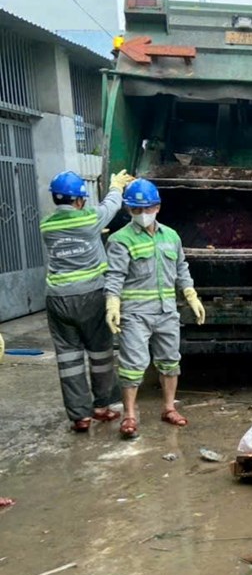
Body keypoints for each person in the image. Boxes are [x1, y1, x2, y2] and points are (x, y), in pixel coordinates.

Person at [104, 178, 206, 438]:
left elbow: (181, 268)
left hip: (166, 312)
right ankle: (129, 415)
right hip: (136, 313)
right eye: (135, 210)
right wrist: (112, 302)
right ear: (128, 210)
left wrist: (191, 294)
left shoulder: (171, 236)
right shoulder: (120, 240)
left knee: (170, 361)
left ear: (157, 207)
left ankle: (169, 408)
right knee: (132, 365)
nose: (141, 214)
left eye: (146, 209)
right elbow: (114, 275)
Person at [41, 169, 132, 432]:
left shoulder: (47, 225)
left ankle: (80, 416)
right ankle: (102, 406)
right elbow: (112, 206)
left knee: (68, 359)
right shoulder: (89, 219)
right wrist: (116, 186)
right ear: (80, 200)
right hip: (90, 296)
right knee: (101, 352)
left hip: (57, 299)